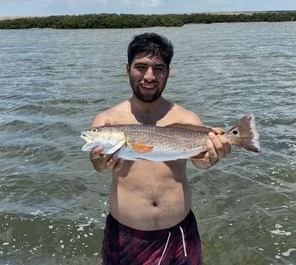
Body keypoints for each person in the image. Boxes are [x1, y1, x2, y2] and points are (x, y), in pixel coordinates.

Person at [89, 33, 231, 265]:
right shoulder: (107, 120)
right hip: (126, 235)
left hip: (180, 234)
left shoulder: (187, 117)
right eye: (141, 67)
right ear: (127, 69)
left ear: (168, 72)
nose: (149, 76)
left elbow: (200, 161)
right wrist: (100, 162)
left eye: (158, 68)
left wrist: (211, 157)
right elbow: (97, 165)